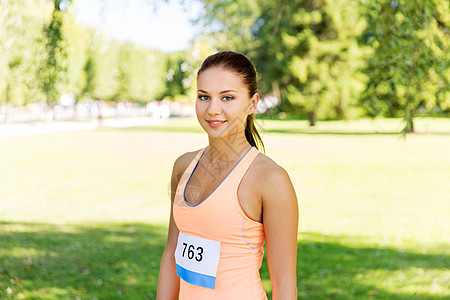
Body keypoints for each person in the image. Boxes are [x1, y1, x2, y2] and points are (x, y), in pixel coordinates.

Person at [156, 51, 299, 299]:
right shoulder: (183, 167)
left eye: (227, 98)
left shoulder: (270, 179)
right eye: (204, 97)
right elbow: (171, 255)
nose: (213, 109)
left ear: (252, 104)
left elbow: (284, 283)